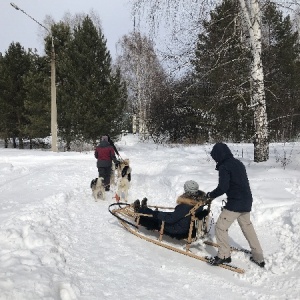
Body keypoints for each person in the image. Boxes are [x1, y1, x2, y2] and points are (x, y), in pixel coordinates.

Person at [206, 142, 265, 267]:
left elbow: (223, 187)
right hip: (247, 200)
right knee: (247, 227)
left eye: (215, 157)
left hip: (235, 202)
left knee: (220, 227)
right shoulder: (238, 163)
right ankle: (258, 256)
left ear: (218, 155)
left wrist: (210, 195)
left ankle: (224, 256)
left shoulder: (225, 167)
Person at [133, 180, 209, 239]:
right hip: (186, 226)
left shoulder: (185, 206)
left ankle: (140, 211)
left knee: (156, 216)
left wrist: (158, 214)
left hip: (177, 229)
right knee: (160, 214)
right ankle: (145, 209)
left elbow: (170, 219)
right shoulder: (199, 202)